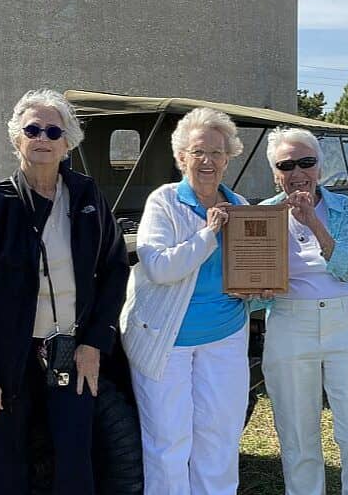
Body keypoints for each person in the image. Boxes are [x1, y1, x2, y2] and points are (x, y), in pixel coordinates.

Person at [0, 89, 130, 495]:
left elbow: (115, 266)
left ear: (68, 143)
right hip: (9, 356)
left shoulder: (86, 196)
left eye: (54, 130)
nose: (43, 138)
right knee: (5, 460)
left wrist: (95, 343)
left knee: (74, 456)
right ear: (17, 139)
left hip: (72, 350)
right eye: (33, 129)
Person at [119, 107, 250, 495]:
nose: (207, 161)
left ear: (229, 158)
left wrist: (256, 292)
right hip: (166, 341)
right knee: (168, 443)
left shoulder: (240, 205)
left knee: (220, 437)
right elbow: (158, 267)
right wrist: (208, 235)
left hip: (225, 335)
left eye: (216, 152)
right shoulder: (164, 202)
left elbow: (252, 275)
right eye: (198, 152)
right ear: (181, 158)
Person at [259, 126, 348, 495]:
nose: (298, 172)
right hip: (289, 322)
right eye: (287, 164)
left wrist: (312, 220)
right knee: (297, 434)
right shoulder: (261, 216)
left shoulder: (347, 209)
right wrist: (255, 291)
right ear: (275, 172)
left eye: (306, 162)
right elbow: (250, 289)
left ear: (319, 166)